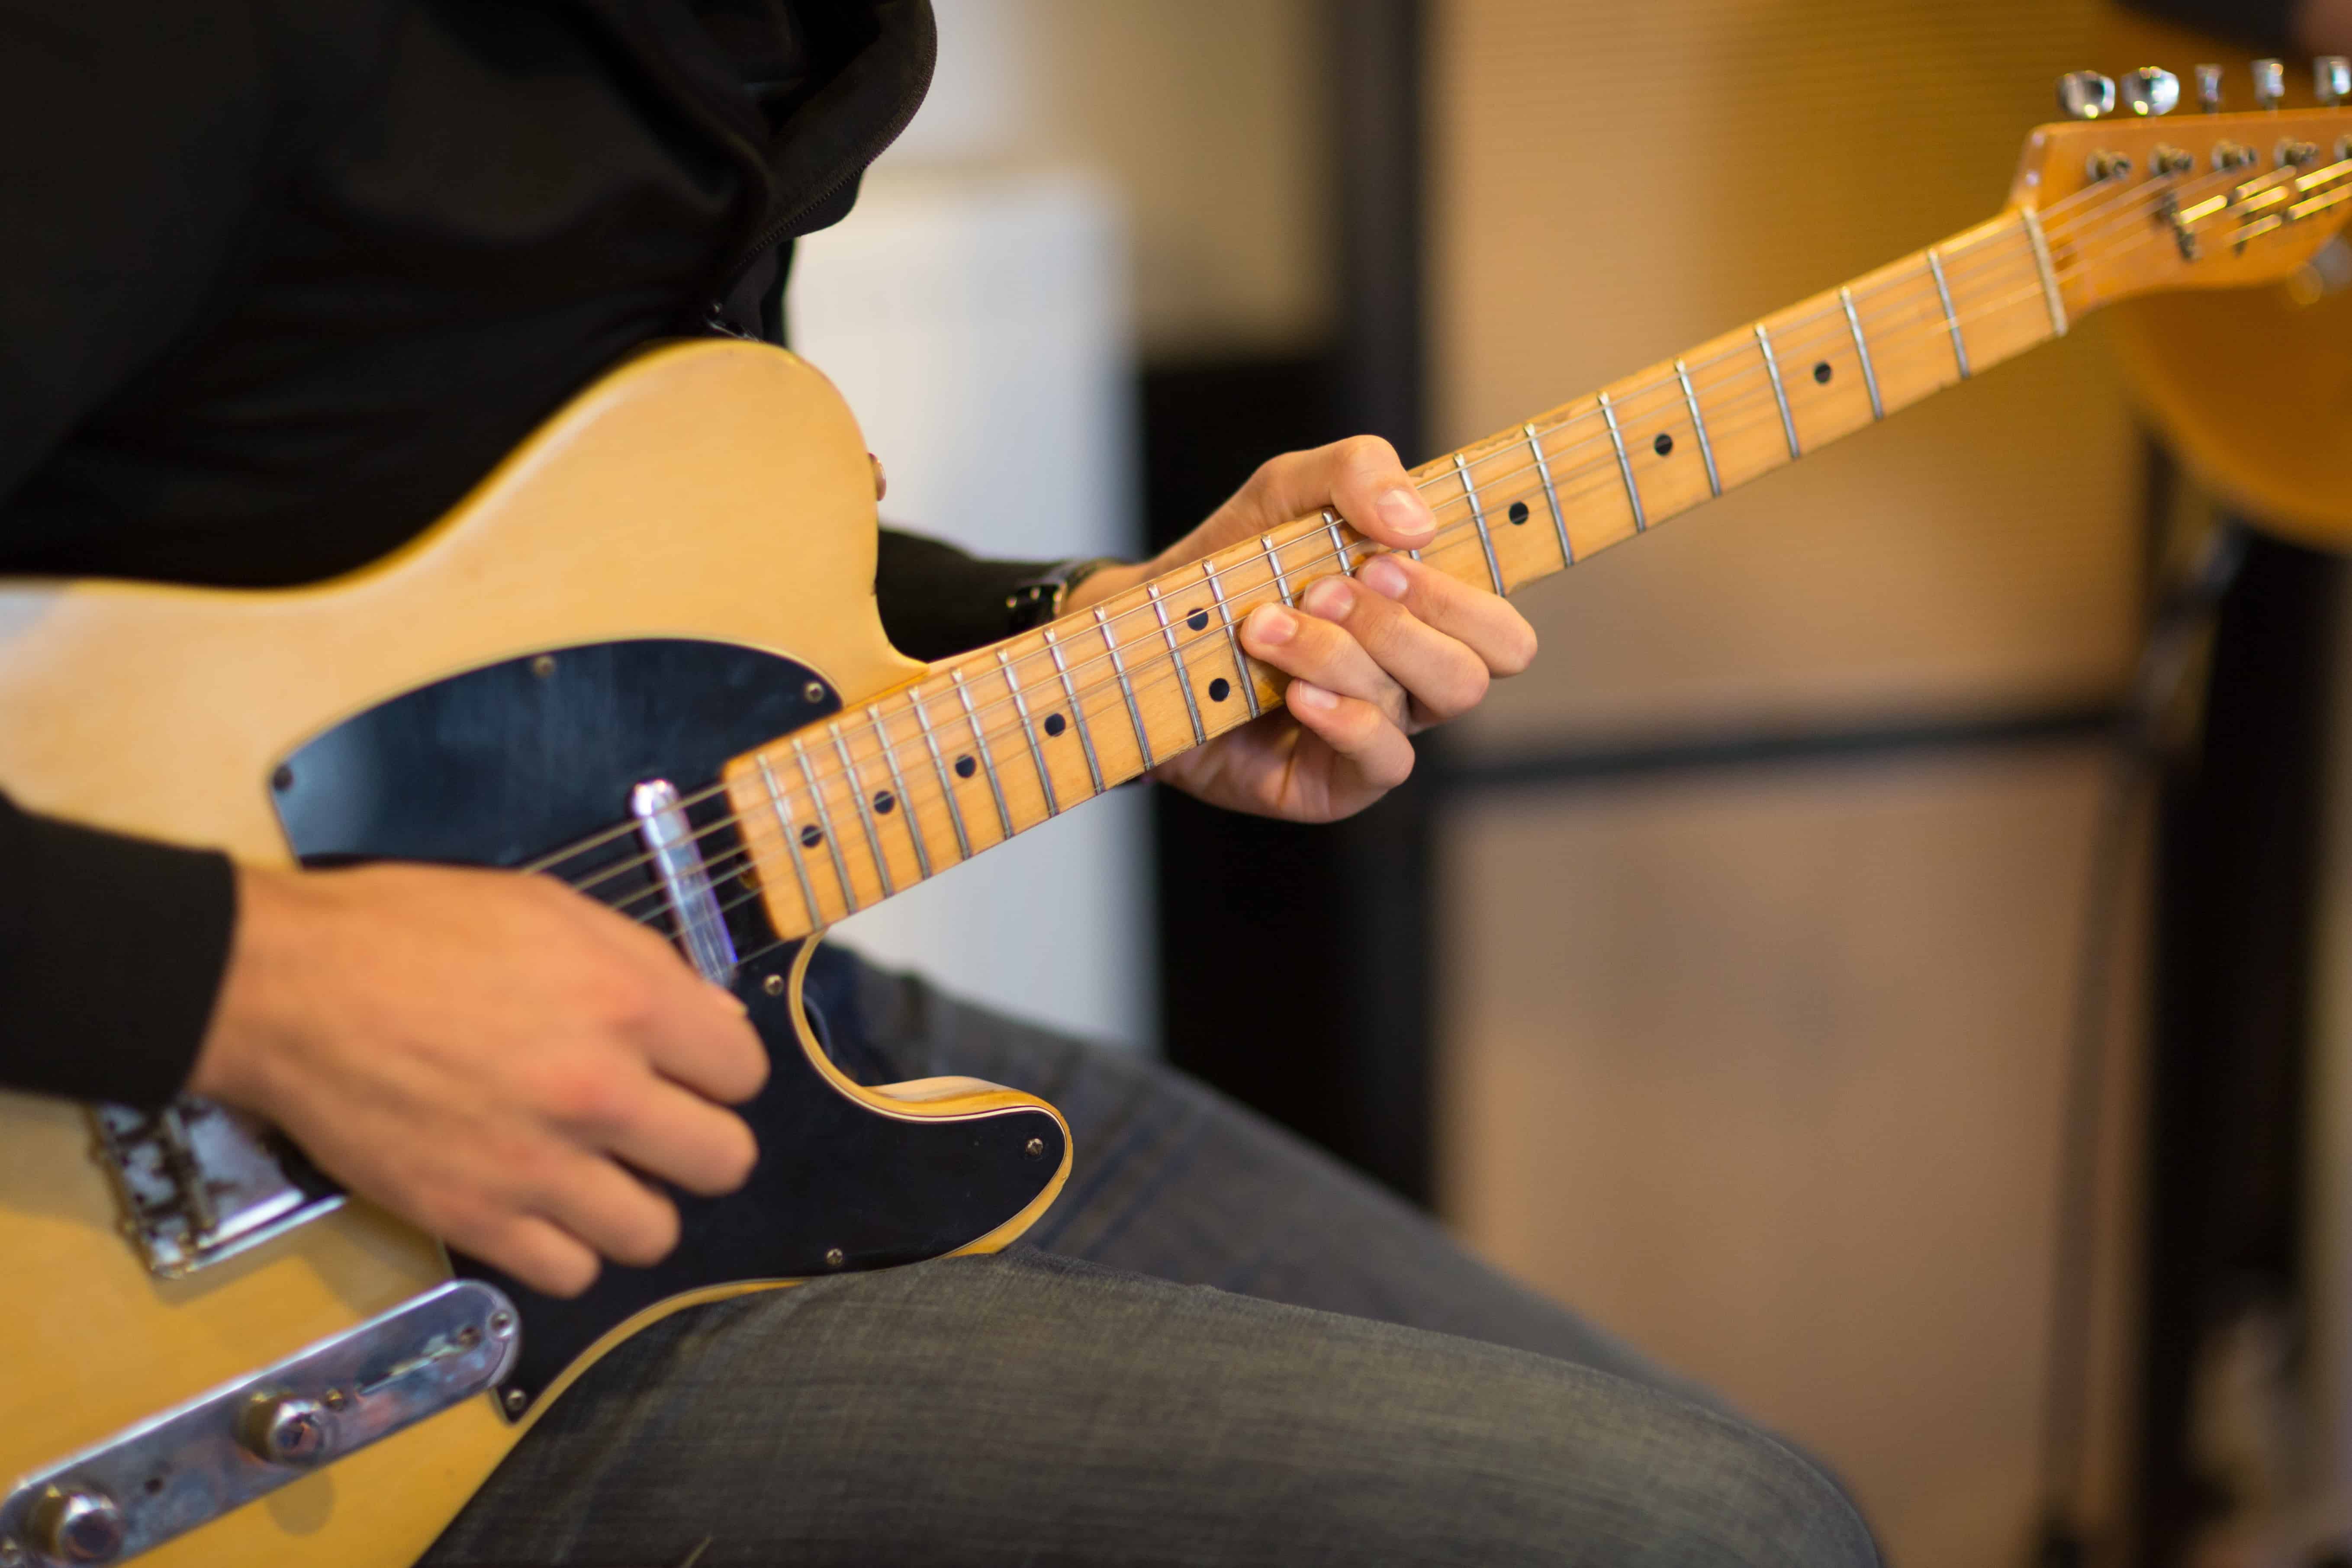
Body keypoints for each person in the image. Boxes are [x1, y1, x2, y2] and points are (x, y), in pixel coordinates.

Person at [0, 3, 1882, 1562]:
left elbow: (618, 540)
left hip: (704, 1018)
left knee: (1758, 1499)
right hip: (203, 1236)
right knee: (1704, 1538)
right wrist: (259, 984)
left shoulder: (789, 34)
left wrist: (1103, 631)